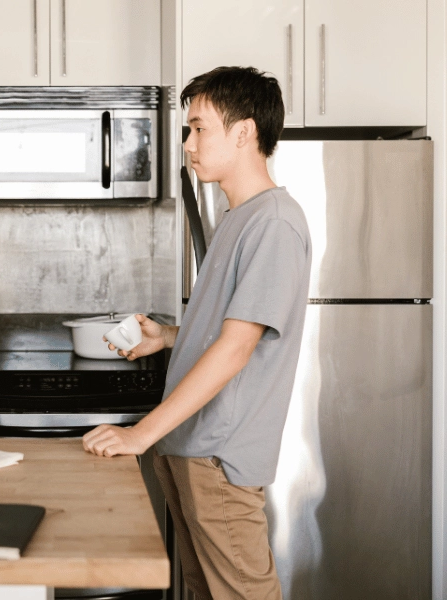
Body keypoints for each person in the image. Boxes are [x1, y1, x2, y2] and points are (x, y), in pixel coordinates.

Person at [82, 67, 312, 600]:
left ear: (244, 132)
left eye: (199, 128)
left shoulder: (274, 222)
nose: (188, 143)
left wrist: (140, 434)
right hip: (192, 448)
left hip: (218, 456)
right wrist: (166, 338)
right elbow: (230, 327)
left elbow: (236, 350)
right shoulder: (238, 217)